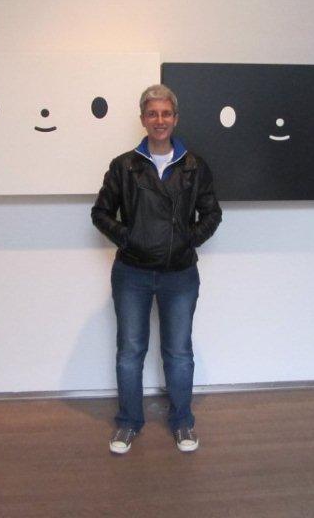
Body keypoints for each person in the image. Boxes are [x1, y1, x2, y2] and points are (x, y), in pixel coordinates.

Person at [91, 84, 222, 454]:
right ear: (143, 119)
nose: (159, 120)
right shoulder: (124, 166)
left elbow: (212, 214)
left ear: (175, 119)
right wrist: (130, 238)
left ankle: (182, 422)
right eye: (152, 113)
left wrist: (186, 241)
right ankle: (128, 422)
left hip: (179, 275)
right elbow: (100, 213)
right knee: (130, 351)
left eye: (166, 113)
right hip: (131, 273)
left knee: (178, 352)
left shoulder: (194, 166)